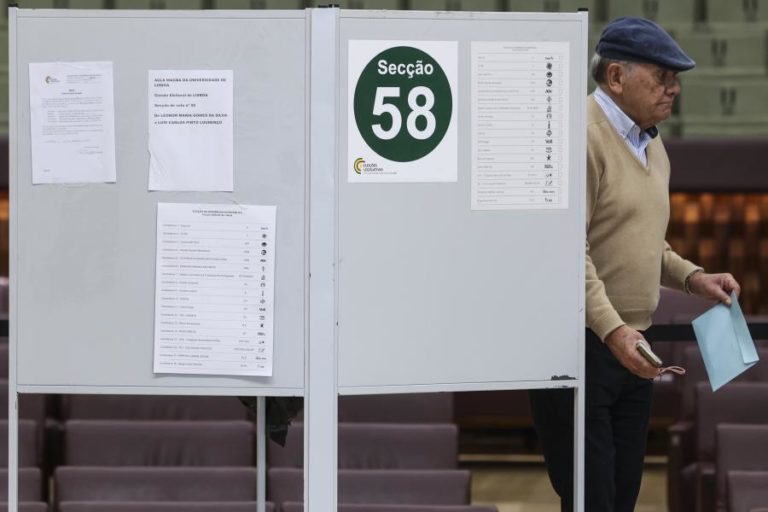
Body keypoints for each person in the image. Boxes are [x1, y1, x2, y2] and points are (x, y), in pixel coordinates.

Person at [528, 17, 741, 512]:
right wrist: (613, 331)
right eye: (662, 77)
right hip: (578, 345)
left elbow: (642, 242)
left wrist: (692, 277)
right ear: (616, 77)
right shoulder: (579, 136)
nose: (675, 89)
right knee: (591, 499)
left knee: (620, 498)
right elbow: (564, 250)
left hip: (630, 347)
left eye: (675, 78)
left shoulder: (650, 140)